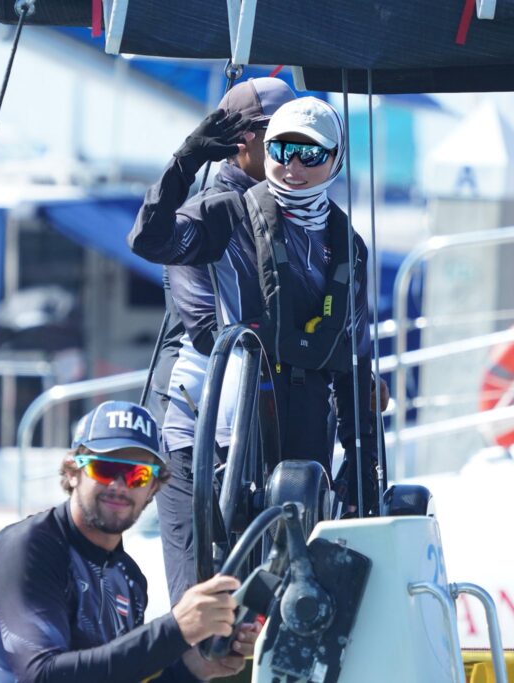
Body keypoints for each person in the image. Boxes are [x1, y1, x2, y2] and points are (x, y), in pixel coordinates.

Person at [129, 96, 379, 604]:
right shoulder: (226, 212)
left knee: (292, 607)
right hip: (220, 436)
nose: (293, 166)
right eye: (282, 149)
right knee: (205, 603)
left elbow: (352, 363)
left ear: (336, 159)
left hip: (301, 441)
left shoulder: (349, 246)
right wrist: (185, 161)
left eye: (311, 154)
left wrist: (361, 464)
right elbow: (149, 241)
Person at [0, 400, 259, 683]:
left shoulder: (130, 579)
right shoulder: (29, 547)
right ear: (73, 471)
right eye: (105, 469)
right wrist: (175, 630)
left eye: (137, 475)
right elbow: (41, 676)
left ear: (153, 488)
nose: (119, 486)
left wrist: (194, 670)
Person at [146, 77, 296, 606]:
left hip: (264, 427)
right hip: (196, 434)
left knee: (266, 609)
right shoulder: (207, 211)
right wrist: (185, 160)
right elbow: (210, 331)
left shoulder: (298, 211)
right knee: (199, 603)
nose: (289, 149)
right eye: (277, 134)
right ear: (244, 140)